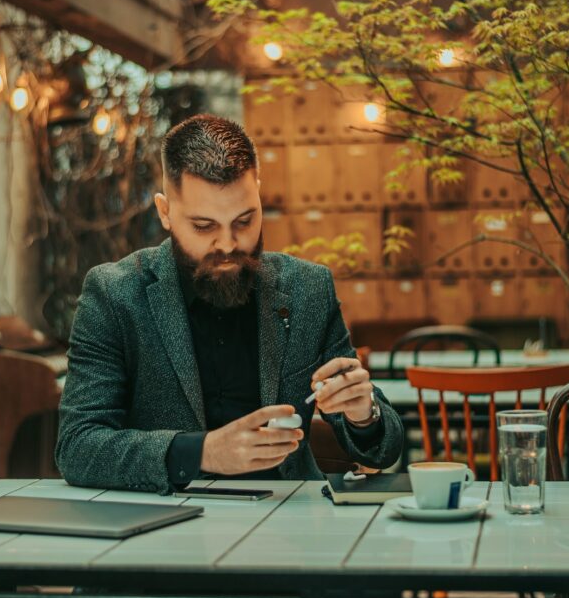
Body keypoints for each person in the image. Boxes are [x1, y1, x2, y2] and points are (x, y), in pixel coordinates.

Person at [56, 114, 403, 494]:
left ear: (258, 193)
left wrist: (362, 414)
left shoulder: (307, 289)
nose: (227, 244)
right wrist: (201, 453)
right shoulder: (115, 294)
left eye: (244, 220)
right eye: (204, 226)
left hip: (287, 523)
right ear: (165, 212)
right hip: (164, 522)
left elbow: (382, 450)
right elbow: (78, 447)